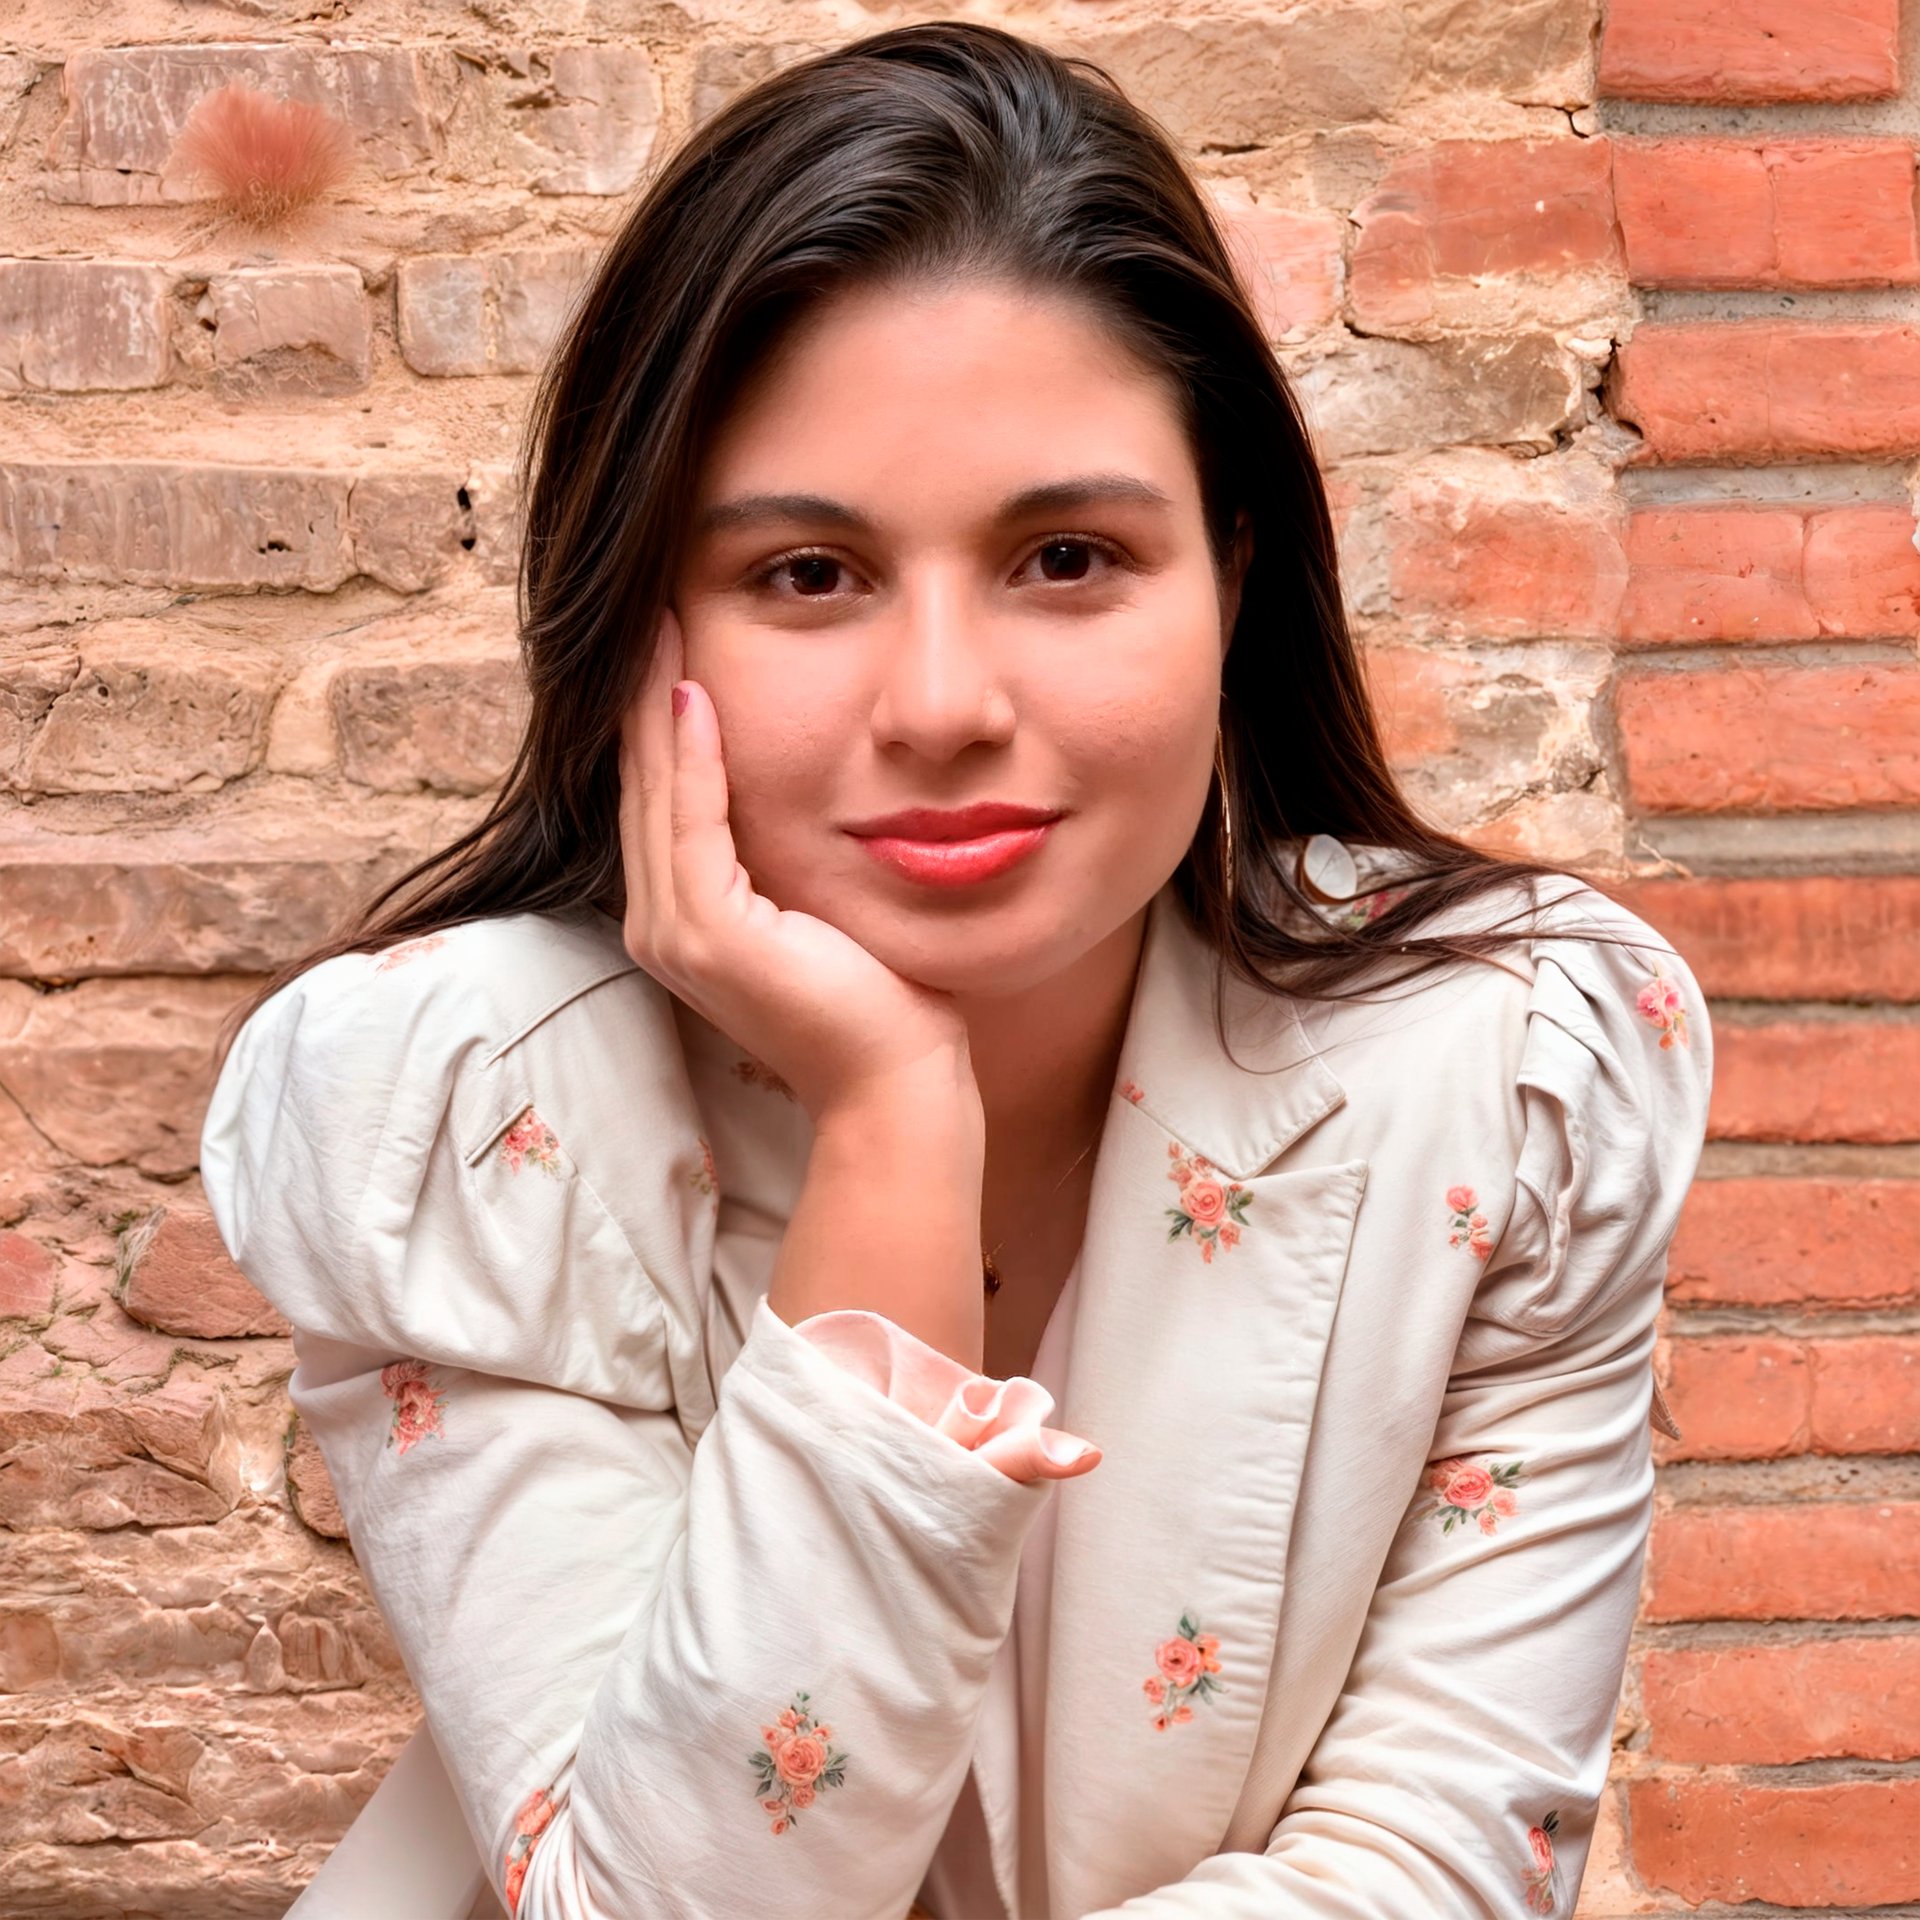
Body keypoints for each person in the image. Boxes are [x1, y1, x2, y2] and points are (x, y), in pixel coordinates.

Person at [198, 21, 1713, 1920]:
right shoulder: (450, 1109)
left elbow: (1429, 1873)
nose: (942, 708)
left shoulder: (1519, 1070)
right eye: (808, 578)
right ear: (641, 625)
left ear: (1234, 579)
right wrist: (892, 1124)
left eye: (1068, 558)